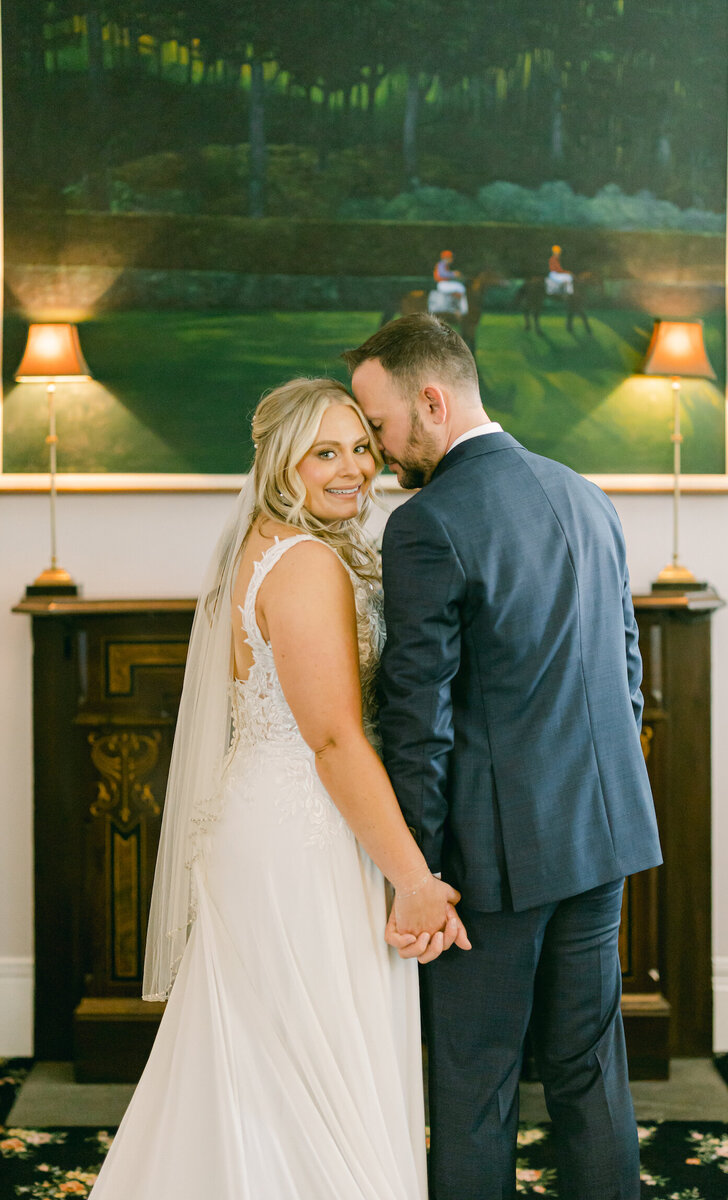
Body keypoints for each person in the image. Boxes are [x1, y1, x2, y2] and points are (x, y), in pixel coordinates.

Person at [89, 377, 469, 1200]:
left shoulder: (262, 548)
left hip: (271, 819)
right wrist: (414, 881)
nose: (354, 470)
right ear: (278, 462)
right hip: (307, 835)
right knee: (314, 1064)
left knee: (269, 1059)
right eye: (324, 453)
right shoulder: (304, 566)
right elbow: (333, 740)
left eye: (361, 448)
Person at [344, 314, 663, 1200]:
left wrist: (419, 873)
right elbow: (626, 672)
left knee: (475, 1090)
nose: (378, 450)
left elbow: (420, 723)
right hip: (601, 836)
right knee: (589, 1073)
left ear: (432, 401)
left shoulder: (428, 523)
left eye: (379, 425)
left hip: (490, 864)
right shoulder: (585, 494)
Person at [432, 249, 469, 315]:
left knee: (459, 287)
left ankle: (457, 307)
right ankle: (463, 310)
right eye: (450, 257)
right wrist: (454, 274)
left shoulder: (444, 265)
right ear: (446, 258)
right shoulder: (441, 264)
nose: (452, 259)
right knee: (461, 287)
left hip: (444, 284)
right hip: (442, 284)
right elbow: (442, 274)